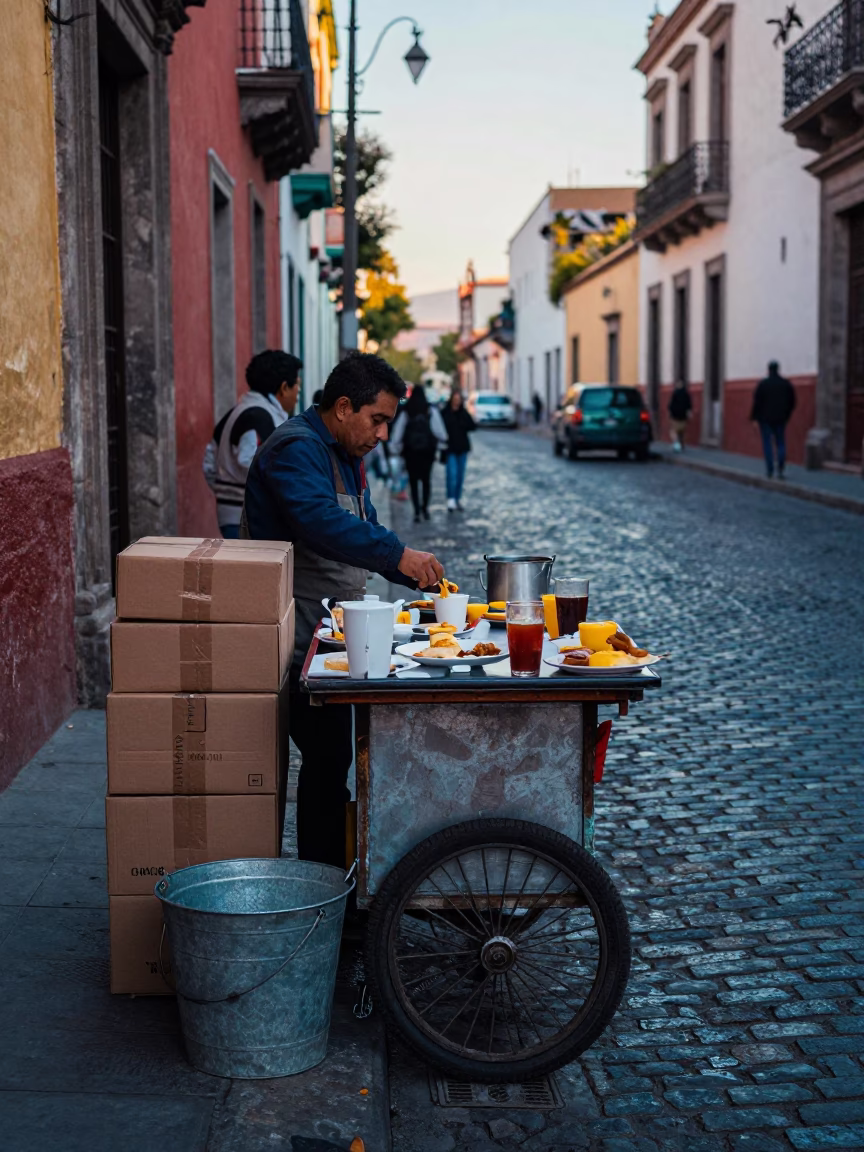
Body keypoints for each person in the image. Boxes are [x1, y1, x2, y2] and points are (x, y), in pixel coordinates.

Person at [243, 353, 444, 868]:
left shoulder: (347, 455)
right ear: (342, 406)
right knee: (326, 764)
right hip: (292, 642)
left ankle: (337, 875)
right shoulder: (295, 448)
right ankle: (324, 885)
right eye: (376, 420)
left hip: (330, 638)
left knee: (334, 763)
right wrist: (398, 554)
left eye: (387, 424)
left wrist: (412, 572)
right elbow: (317, 521)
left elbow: (366, 525)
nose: (381, 434)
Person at [203, 350, 302, 537]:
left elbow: (209, 465)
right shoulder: (259, 417)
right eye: (297, 385)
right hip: (250, 518)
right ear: (284, 388)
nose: (298, 393)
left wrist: (223, 491)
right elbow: (249, 460)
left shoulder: (237, 412)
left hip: (233, 514)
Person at [389, 384, 447, 523]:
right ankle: (425, 508)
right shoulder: (430, 410)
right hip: (427, 452)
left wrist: (395, 449)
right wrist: (442, 444)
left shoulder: (407, 411)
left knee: (413, 482)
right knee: (426, 481)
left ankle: (416, 511)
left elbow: (398, 433)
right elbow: (440, 432)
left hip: (411, 452)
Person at [751, 361, 796, 479]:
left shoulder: (763, 384)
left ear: (768, 370)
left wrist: (754, 418)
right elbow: (792, 402)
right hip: (781, 418)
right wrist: (787, 415)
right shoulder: (786, 384)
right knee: (781, 443)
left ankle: (769, 469)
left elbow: (757, 402)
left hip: (765, 419)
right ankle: (780, 469)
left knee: (767, 444)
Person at [441, 388, 477, 511]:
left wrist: (464, 420)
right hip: (450, 448)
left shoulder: (463, 413)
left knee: (460, 475)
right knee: (452, 475)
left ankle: (457, 499)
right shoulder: (445, 413)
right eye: (455, 399)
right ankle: (450, 499)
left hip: (462, 448)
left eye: (458, 400)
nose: (456, 402)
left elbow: (472, 426)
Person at [668, 379, 693, 453]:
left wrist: (670, 414)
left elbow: (671, 405)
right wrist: (689, 413)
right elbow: (689, 405)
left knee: (675, 432)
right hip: (683, 416)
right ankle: (681, 445)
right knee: (682, 432)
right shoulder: (686, 394)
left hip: (675, 416)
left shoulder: (675, 394)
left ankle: (677, 446)